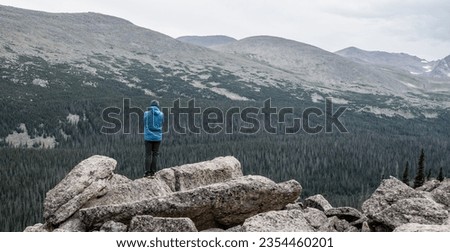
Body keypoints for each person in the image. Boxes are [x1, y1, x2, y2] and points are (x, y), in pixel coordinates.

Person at [144, 100, 164, 177]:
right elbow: (162, 122)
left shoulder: (146, 114)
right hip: (158, 137)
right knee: (155, 155)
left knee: (148, 154)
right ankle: (153, 172)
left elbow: (144, 121)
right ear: (158, 106)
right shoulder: (161, 114)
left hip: (148, 137)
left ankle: (147, 172)